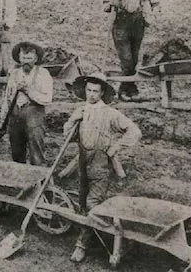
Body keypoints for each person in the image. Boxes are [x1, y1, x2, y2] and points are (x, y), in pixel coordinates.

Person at [63, 72, 142, 263]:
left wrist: (117, 146)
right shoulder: (81, 109)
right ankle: (97, 234)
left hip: (100, 163)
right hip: (83, 160)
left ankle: (81, 245)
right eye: (88, 90)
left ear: (102, 93)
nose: (91, 94)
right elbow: (67, 135)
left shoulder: (110, 113)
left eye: (95, 91)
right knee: (83, 203)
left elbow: (135, 131)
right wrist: (73, 120)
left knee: (92, 204)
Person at [105, 0, 159, 101]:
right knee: (126, 59)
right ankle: (126, 89)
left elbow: (154, 1)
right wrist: (112, 3)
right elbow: (106, 5)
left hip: (137, 23)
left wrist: (149, 13)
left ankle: (130, 88)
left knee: (134, 59)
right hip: (121, 24)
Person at [0, 41, 52, 166]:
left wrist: (29, 91)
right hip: (15, 115)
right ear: (19, 58)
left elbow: (47, 98)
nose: (26, 61)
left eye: (29, 58)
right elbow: (7, 98)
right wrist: (3, 120)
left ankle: (39, 180)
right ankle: (20, 180)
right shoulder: (14, 74)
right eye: (23, 58)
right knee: (16, 151)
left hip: (34, 116)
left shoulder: (43, 74)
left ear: (36, 58)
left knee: (36, 151)